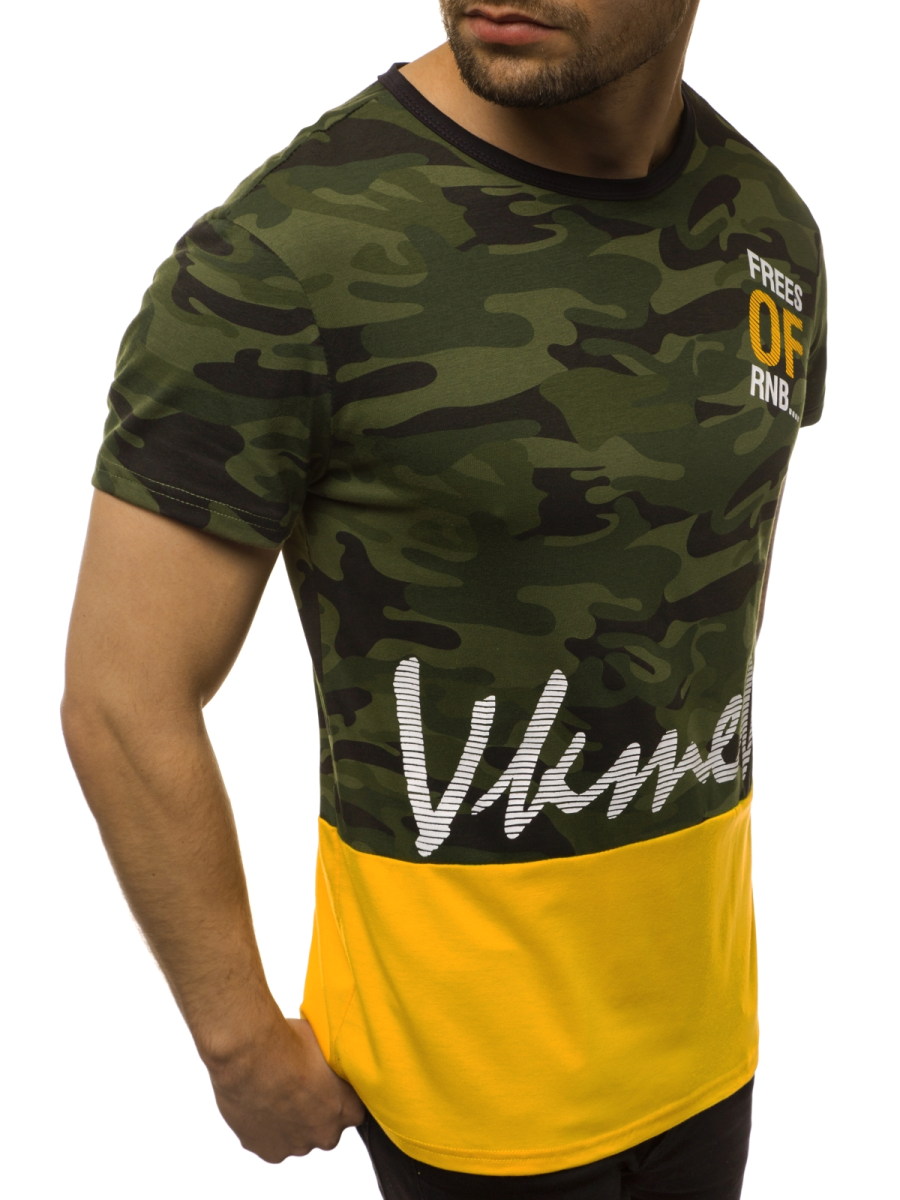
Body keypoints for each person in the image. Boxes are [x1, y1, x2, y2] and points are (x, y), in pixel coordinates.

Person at [62, 2, 826, 1196]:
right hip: (459, 1097)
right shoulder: (282, 260)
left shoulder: (765, 226)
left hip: (705, 1046)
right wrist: (239, 1041)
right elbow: (122, 694)